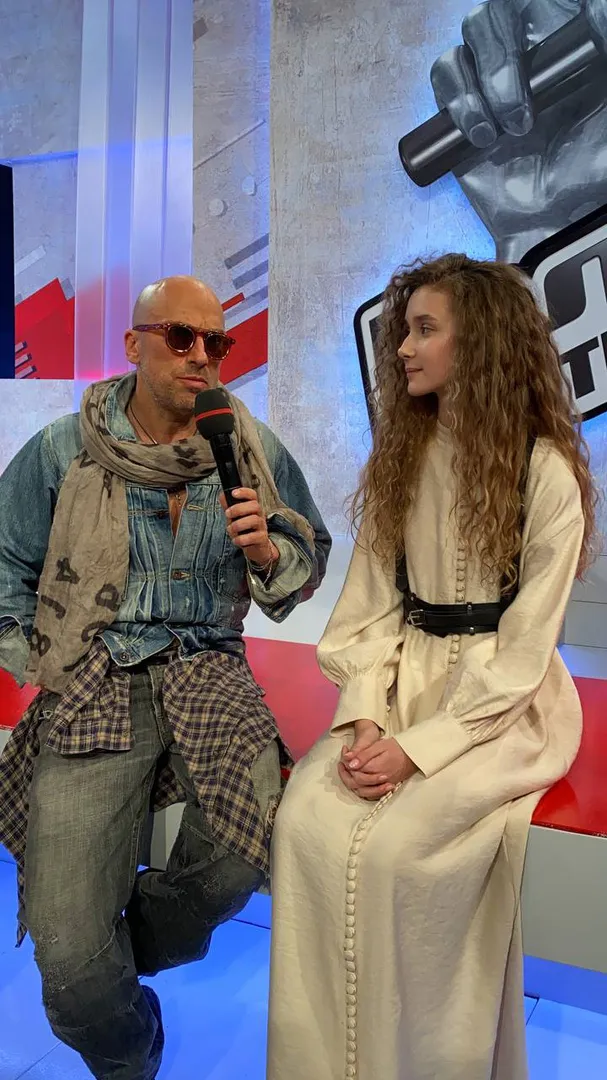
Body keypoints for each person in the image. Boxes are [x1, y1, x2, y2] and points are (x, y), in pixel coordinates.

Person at [267, 254, 596, 1080]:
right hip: (399, 681)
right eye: (402, 332)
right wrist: (364, 718)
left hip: (505, 705)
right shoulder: (400, 460)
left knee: (396, 851)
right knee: (302, 822)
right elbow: (369, 613)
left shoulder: (545, 472)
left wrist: (418, 750)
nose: (403, 349)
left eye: (423, 330)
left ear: (477, 343)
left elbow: (524, 651)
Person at [0, 275, 331, 1080]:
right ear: (134, 344)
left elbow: (308, 552)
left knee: (237, 862)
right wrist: (37, 658)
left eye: (217, 342)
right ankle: (127, 1042)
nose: (201, 356)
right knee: (68, 967)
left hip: (210, 667)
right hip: (98, 677)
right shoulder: (63, 450)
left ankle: (110, 947)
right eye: (181, 337)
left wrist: (268, 551)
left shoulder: (246, 446)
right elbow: (6, 563)